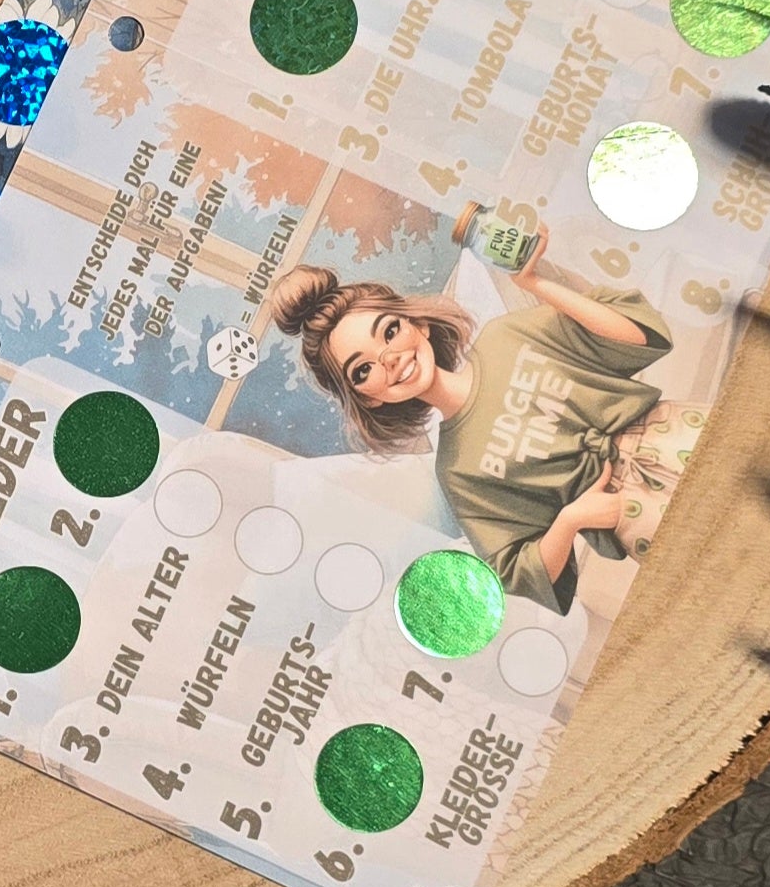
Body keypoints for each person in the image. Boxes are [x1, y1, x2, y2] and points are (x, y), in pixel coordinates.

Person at [269, 230, 700, 615]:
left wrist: (535, 284)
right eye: (363, 370)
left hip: (679, 434)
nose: (391, 359)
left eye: (390, 331)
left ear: (418, 324)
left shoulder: (504, 336)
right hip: (634, 516)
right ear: (368, 398)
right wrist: (571, 519)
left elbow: (639, 336)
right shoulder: (457, 469)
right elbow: (516, 572)